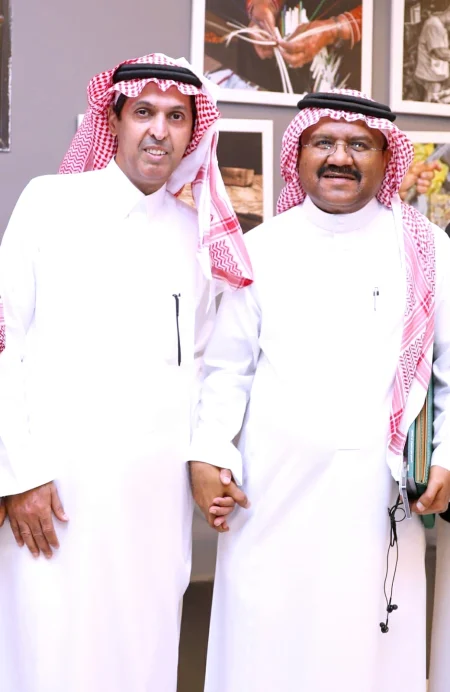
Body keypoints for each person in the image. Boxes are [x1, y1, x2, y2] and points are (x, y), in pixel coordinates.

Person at [0, 53, 251, 692]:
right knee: (50, 652)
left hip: (153, 503)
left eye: (176, 117)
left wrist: (208, 457)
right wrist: (19, 476)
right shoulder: (50, 202)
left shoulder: (198, 236)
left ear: (193, 132)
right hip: (56, 490)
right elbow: (6, 342)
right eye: (144, 112)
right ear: (113, 120)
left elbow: (210, 364)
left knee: (142, 656)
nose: (159, 131)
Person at [189, 90, 450, 692]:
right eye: (323, 143)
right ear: (299, 153)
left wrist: (444, 456)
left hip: (375, 499)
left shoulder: (426, 249)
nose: (340, 158)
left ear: (386, 157)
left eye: (359, 145)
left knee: (364, 653)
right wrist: (209, 456)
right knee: (265, 645)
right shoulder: (262, 247)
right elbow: (228, 370)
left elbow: (447, 367)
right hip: (270, 493)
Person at [415, 5, 450, 102]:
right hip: (430, 79)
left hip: (435, 77)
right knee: (430, 105)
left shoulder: (440, 25)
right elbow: (440, 52)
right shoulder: (434, 26)